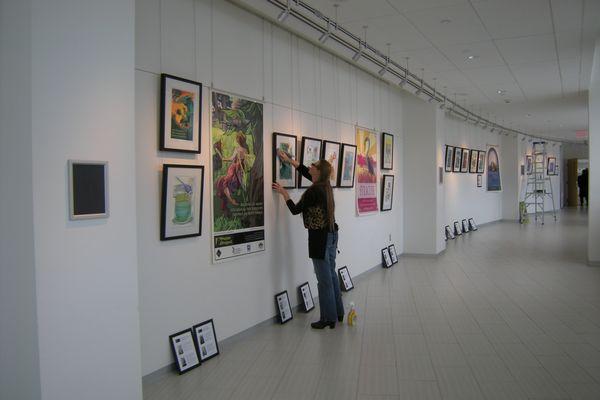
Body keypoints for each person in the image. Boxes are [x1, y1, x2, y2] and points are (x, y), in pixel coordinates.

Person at [272, 151, 344, 329]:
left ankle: (328, 318)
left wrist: (284, 193)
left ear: (318, 172)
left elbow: (296, 210)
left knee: (324, 280)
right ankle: (338, 312)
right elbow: (305, 172)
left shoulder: (313, 191)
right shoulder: (325, 185)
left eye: (313, 165)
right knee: (331, 275)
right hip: (332, 235)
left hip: (319, 238)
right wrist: (290, 161)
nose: (310, 166)